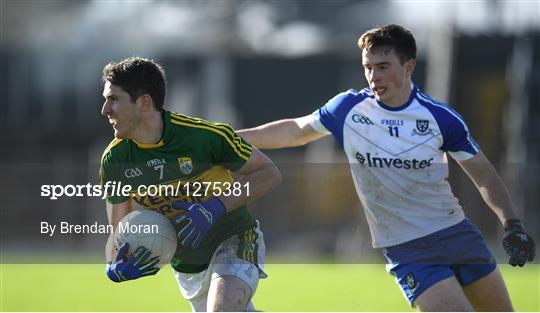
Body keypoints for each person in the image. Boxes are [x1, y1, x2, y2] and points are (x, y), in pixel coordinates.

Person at [237, 24, 535, 311]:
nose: (373, 76)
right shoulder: (348, 109)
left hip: (458, 235)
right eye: (368, 67)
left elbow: (483, 173)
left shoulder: (439, 118)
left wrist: (512, 225)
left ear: (408, 67)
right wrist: (226, 139)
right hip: (408, 250)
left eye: (382, 66)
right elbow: (294, 131)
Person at [99, 57, 281, 312]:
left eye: (114, 99)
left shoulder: (205, 137)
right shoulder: (115, 160)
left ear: (144, 103)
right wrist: (115, 263)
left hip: (234, 240)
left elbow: (268, 173)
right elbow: (120, 228)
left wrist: (215, 207)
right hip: (186, 265)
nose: (105, 109)